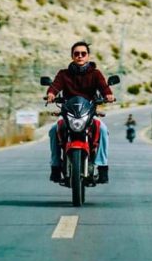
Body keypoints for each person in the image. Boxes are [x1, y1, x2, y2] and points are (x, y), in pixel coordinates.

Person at [46, 40, 114, 184]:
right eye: (77, 54)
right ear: (72, 56)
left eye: (83, 53)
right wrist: (51, 94)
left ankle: (102, 167)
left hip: (88, 113)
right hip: (69, 113)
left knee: (103, 129)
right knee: (53, 130)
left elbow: (103, 87)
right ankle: (55, 166)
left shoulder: (95, 74)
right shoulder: (64, 74)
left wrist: (108, 94)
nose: (80, 56)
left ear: (88, 56)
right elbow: (55, 86)